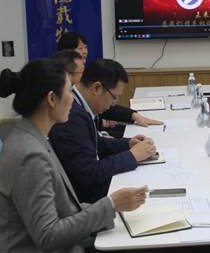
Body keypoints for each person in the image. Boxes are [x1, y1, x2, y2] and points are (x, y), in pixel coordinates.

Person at [0, 59, 151, 253]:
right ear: (51, 99)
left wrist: (110, 208)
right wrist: (110, 205)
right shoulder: (30, 155)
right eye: (68, 92)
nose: (73, 100)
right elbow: (49, 235)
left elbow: (60, 211)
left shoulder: (32, 137)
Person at [49, 58, 157, 203]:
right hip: (88, 200)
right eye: (114, 97)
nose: (113, 104)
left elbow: (96, 143)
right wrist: (132, 156)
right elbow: (89, 173)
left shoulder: (81, 107)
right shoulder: (71, 116)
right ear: (96, 88)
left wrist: (128, 144)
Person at [57, 31, 162, 132]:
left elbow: (97, 104)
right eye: (80, 48)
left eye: (86, 47)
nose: (85, 51)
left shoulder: (84, 74)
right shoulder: (61, 85)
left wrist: (131, 115)